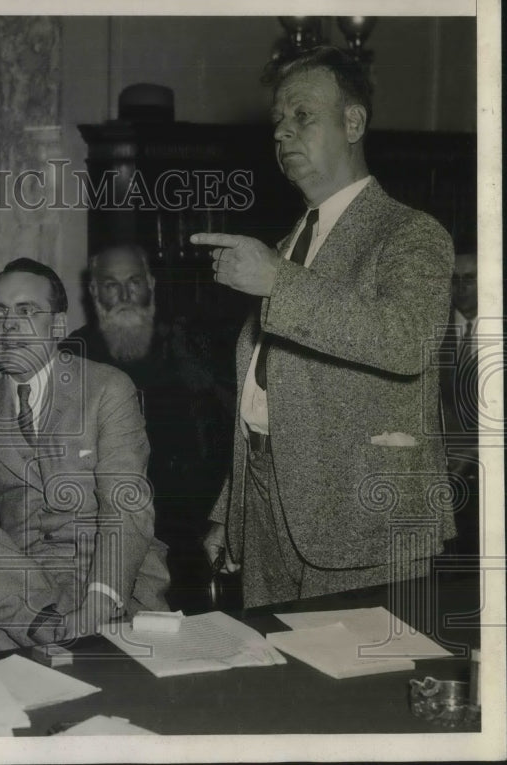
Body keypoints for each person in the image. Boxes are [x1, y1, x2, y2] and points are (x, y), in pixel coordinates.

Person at [190, 46, 455, 608]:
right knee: (276, 690)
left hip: (364, 519)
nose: (284, 134)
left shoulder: (409, 233)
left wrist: (277, 281)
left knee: (356, 694)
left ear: (353, 122)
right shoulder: (290, 244)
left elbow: (409, 341)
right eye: (278, 122)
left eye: (302, 116)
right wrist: (230, 513)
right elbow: (265, 394)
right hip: (266, 513)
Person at [0, 257, 170, 651]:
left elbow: (128, 505)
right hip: (20, 594)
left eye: (26, 312)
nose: (9, 326)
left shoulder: (105, 388)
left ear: (58, 325)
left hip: (111, 583)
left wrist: (97, 604)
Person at [67, 245, 231, 610]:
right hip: (105, 536)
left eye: (134, 282)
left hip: (193, 535)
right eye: (111, 285)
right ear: (94, 292)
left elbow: (232, 438)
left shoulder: (196, 346)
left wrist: (223, 520)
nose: (125, 296)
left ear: (151, 285)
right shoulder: (73, 356)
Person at [442, 252, 480, 555]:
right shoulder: (433, 331)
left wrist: (474, 447)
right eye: (454, 279)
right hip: (445, 464)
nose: (461, 286)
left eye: (469, 278)